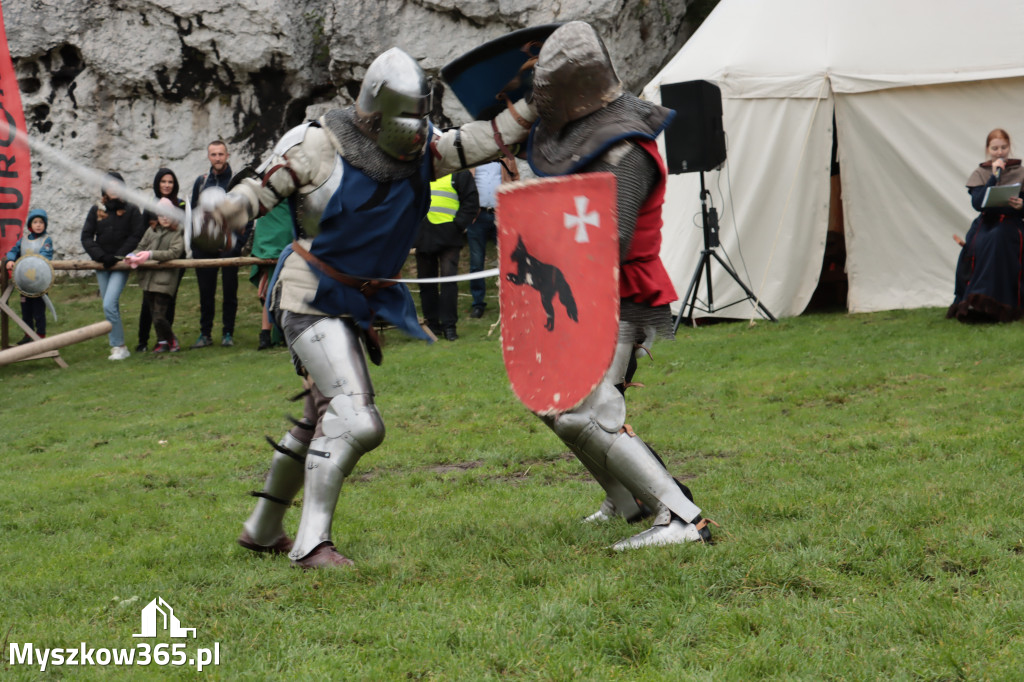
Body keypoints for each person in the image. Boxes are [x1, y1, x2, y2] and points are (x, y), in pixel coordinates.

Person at [193, 47, 536, 568]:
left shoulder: (425, 148)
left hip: (356, 301)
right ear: (372, 111)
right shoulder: (315, 146)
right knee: (357, 420)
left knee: (317, 418)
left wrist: (534, 105)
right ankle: (311, 545)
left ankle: (263, 529)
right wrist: (227, 210)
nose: (416, 130)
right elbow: (260, 191)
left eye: (420, 118)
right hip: (309, 293)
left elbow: (476, 141)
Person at [524, 21, 713, 550]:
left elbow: (613, 238)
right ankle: (625, 498)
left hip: (623, 295)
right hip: (588, 290)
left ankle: (678, 517)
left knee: (590, 411)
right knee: (553, 406)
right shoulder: (593, 134)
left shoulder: (627, 147)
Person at [947, 128, 1024, 322]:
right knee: (979, 243)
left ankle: (997, 303)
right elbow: (978, 203)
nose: (1000, 152)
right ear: (988, 149)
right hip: (986, 223)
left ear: (1009, 147)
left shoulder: (1021, 172)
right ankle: (976, 301)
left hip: (1011, 223)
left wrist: (1022, 204)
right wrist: (994, 176)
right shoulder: (981, 173)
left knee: (998, 239)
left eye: (1003, 147)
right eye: (995, 148)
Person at [81, 172, 146, 360]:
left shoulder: (132, 210)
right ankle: (120, 346)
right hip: (102, 264)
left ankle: (118, 345)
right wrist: (101, 256)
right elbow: (86, 236)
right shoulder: (97, 209)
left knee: (109, 303)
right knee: (109, 305)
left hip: (121, 264)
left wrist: (119, 256)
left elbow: (137, 234)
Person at [190, 140, 248, 348]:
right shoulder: (201, 182)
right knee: (206, 293)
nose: (217, 158)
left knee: (229, 292)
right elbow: (194, 214)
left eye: (221, 154)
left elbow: (246, 217)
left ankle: (228, 333)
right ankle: (205, 334)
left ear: (227, 155)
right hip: (204, 248)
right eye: (213, 154)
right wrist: (196, 244)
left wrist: (237, 244)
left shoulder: (237, 183)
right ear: (209, 157)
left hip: (229, 248)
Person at [414, 170, 479, 340]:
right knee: (427, 284)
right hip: (423, 235)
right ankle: (432, 326)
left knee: (448, 283)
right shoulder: (419, 169)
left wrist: (457, 225)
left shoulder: (459, 172)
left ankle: (449, 326)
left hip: (449, 236)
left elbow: (471, 202)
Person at [125, 198, 186, 352]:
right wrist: (134, 255)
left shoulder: (177, 231)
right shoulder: (151, 230)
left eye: (167, 214)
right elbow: (141, 246)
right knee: (153, 314)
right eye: (161, 215)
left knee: (159, 316)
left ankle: (172, 339)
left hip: (165, 280)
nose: (165, 218)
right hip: (149, 279)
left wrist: (151, 254)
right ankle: (162, 342)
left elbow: (174, 252)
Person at [136, 168, 187, 351]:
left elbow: (178, 246)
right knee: (149, 308)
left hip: (170, 269)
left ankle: (167, 339)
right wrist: (135, 255)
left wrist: (151, 255)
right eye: (163, 181)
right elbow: (142, 240)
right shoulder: (152, 222)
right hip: (150, 271)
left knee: (162, 310)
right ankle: (149, 341)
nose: (166, 185)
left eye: (170, 182)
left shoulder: (180, 210)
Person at [4, 208, 54, 344]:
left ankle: (40, 336)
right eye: (35, 222)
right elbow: (14, 251)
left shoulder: (46, 241)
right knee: (26, 311)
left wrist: (34, 263)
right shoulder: (23, 240)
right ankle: (28, 335)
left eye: (41, 222)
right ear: (30, 225)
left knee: (38, 311)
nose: (38, 225)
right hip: (24, 283)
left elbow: (45, 256)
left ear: (45, 225)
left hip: (39, 283)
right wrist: (10, 260)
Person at [247, 202, 292, 350]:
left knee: (286, 290)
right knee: (269, 291)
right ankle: (266, 335)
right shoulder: (266, 191)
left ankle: (282, 333)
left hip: (286, 244)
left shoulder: (288, 187)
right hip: (272, 245)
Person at [467, 161, 500, 318]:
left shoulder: (506, 159)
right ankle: (478, 303)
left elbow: (514, 179)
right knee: (476, 262)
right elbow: (465, 185)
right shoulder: (473, 160)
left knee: (508, 261)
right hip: (478, 216)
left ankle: (510, 299)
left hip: (501, 214)